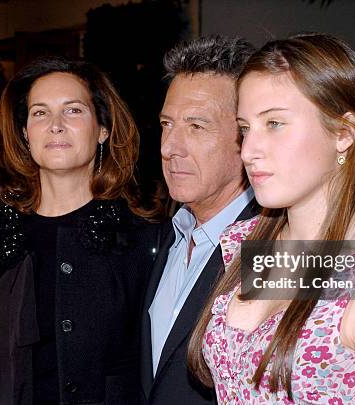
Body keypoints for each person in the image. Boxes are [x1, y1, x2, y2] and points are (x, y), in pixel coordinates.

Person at [187, 33, 355, 403]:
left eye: (275, 124)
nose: (248, 150)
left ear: (343, 133)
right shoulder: (253, 244)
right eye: (245, 128)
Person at [0, 56, 163, 404]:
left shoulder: (143, 241)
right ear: (25, 133)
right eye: (40, 113)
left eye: (73, 110)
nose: (55, 125)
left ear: (103, 129)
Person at [140, 36, 257, 404]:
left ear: (245, 137)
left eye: (195, 126)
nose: (168, 147)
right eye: (166, 124)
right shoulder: (165, 237)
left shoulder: (276, 248)